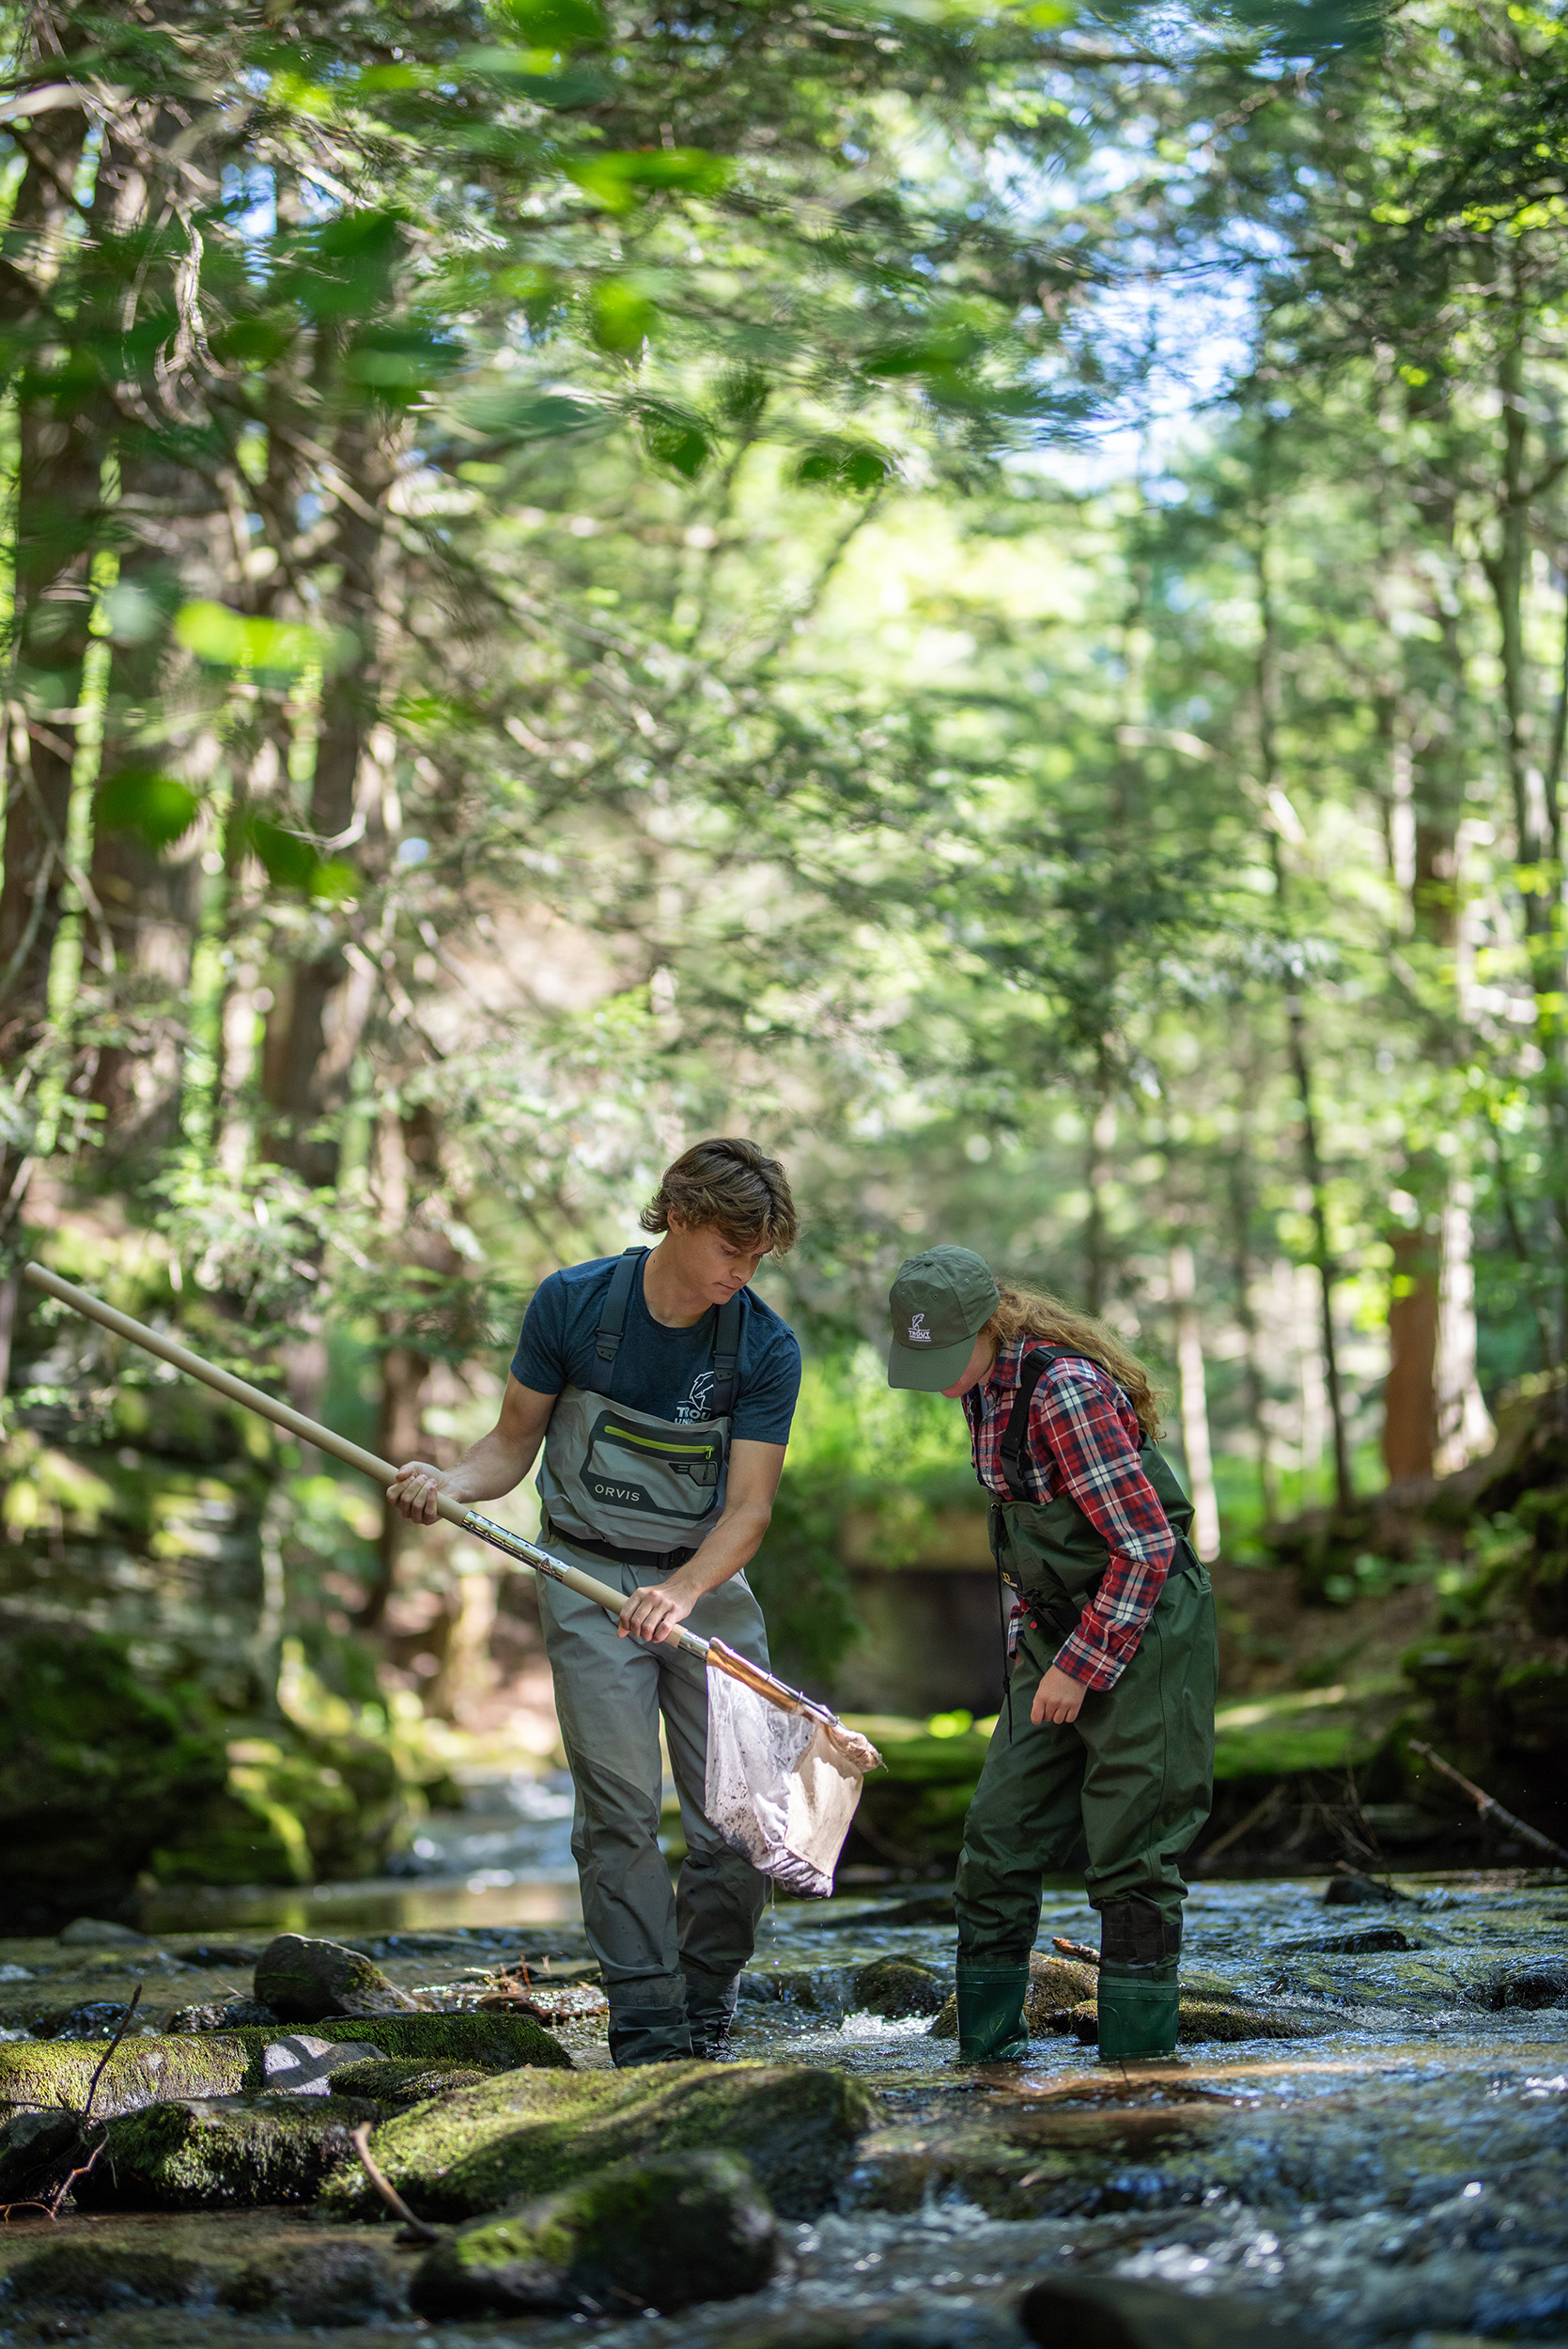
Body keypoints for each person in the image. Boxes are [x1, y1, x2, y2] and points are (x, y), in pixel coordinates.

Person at [390, 1137, 802, 2066]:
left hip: (705, 1587)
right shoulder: (571, 1305)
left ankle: (707, 1997)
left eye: (757, 1255)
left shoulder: (766, 1347)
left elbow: (748, 1510)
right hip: (582, 1579)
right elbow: (507, 1447)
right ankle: (651, 2029)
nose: (743, 1270)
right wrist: (448, 1481)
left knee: (741, 1824)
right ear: (681, 1215)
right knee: (618, 1816)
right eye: (732, 1247)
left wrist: (684, 1589)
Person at [886, 1245, 1217, 2064]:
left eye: (942, 1355)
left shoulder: (1064, 1392)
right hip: (1055, 1627)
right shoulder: (980, 1389)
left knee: (1132, 1856)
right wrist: (1039, 1651)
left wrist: (1078, 1666)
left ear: (989, 1324)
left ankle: (1136, 2078)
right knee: (996, 1839)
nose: (933, 1376)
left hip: (1147, 1626)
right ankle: (986, 2063)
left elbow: (1141, 1547)